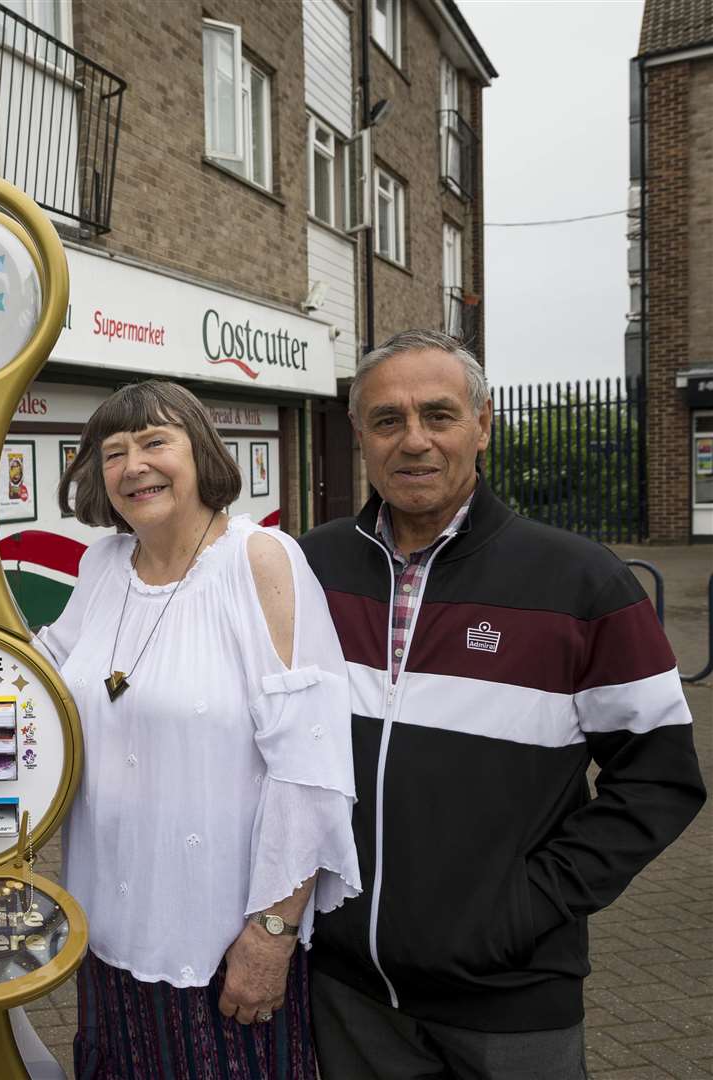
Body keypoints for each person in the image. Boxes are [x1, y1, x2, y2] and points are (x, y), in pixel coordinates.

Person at [300, 329, 706, 1079]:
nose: (413, 440)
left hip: (510, 994)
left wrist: (526, 905)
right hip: (345, 989)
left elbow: (658, 778)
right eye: (387, 420)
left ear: (481, 426)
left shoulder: (581, 583)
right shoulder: (306, 571)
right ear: (359, 433)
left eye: (438, 415)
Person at [36, 380, 360, 1079]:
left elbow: (308, 767)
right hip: (108, 928)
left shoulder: (259, 561)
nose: (132, 466)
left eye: (155, 442)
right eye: (112, 452)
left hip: (219, 941)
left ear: (200, 452)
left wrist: (271, 932)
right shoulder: (100, 566)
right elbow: (40, 686)